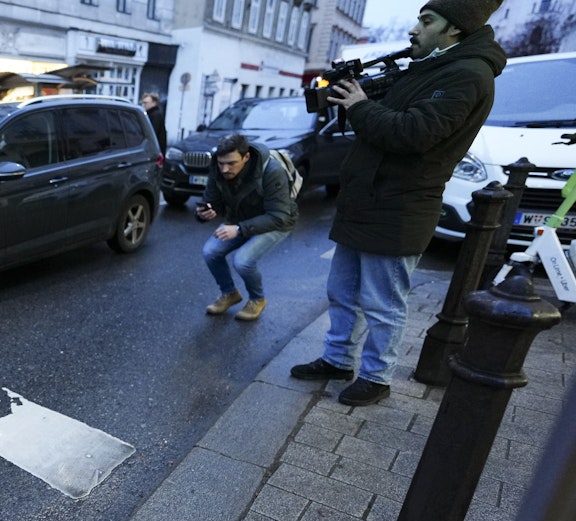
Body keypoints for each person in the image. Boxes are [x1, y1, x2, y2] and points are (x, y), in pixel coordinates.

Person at [291, 0, 506, 406]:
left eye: (426, 22)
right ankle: (338, 359)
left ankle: (377, 376)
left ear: (454, 29)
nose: (414, 30)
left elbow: (412, 134)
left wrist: (358, 104)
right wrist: (355, 94)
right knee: (342, 291)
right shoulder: (431, 66)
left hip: (400, 206)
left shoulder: (468, 74)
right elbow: (385, 120)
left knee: (383, 303)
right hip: (368, 200)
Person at [196, 134, 296, 321]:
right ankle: (230, 294)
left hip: (275, 222)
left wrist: (240, 229)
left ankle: (257, 299)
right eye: (221, 163)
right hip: (240, 220)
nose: (225, 169)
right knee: (210, 252)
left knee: (243, 261)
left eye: (231, 163)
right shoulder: (218, 168)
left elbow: (279, 216)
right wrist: (204, 212)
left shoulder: (272, 171)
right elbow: (211, 200)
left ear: (246, 157)